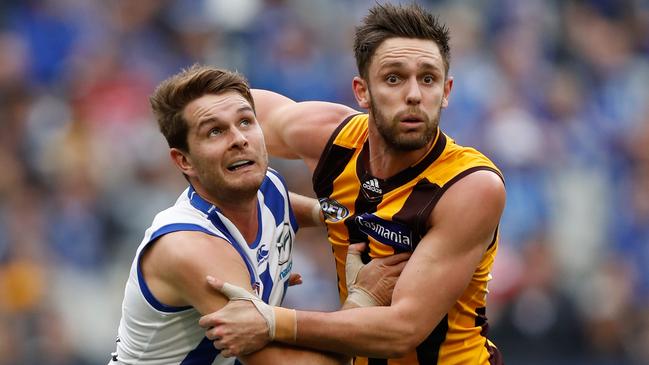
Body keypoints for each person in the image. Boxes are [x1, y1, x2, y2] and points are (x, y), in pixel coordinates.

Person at [199, 3, 506, 364]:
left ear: (447, 90)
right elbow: (208, 113)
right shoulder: (331, 139)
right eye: (393, 78)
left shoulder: (470, 186)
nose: (413, 94)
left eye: (428, 78)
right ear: (362, 91)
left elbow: (402, 329)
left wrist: (269, 320)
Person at [108, 64, 407, 365]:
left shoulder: (265, 186)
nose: (239, 139)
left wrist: (338, 217)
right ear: (184, 161)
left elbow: (283, 204)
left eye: (246, 122)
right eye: (215, 131)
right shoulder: (192, 249)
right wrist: (363, 298)